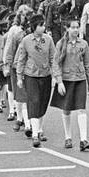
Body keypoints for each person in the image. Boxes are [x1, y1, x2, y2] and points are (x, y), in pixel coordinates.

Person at [15, 15, 56, 148]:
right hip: (31, 75)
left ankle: (40, 128)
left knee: (43, 103)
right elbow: (21, 58)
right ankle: (35, 134)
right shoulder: (26, 40)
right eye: (40, 25)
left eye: (43, 25)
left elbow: (53, 58)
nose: (43, 27)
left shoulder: (48, 39)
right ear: (34, 26)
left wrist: (55, 76)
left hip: (46, 74)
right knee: (34, 101)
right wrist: (19, 76)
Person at [53, 23, 89, 151]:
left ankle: (83, 139)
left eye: (78, 27)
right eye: (73, 27)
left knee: (82, 108)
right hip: (66, 80)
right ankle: (68, 137)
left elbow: (88, 63)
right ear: (67, 28)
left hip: (80, 79)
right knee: (66, 109)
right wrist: (59, 81)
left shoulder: (84, 44)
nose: (76, 30)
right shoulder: (61, 44)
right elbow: (56, 64)